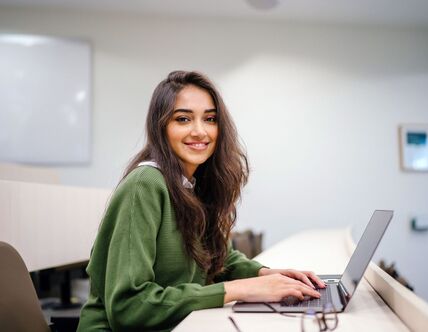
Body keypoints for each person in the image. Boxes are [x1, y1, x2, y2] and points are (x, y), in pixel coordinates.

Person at [77, 70, 325, 331]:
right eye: (183, 119)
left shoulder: (192, 184)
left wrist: (264, 275)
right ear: (161, 127)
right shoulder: (145, 185)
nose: (200, 131)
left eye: (210, 119)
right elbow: (129, 307)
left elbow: (219, 258)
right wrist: (241, 289)